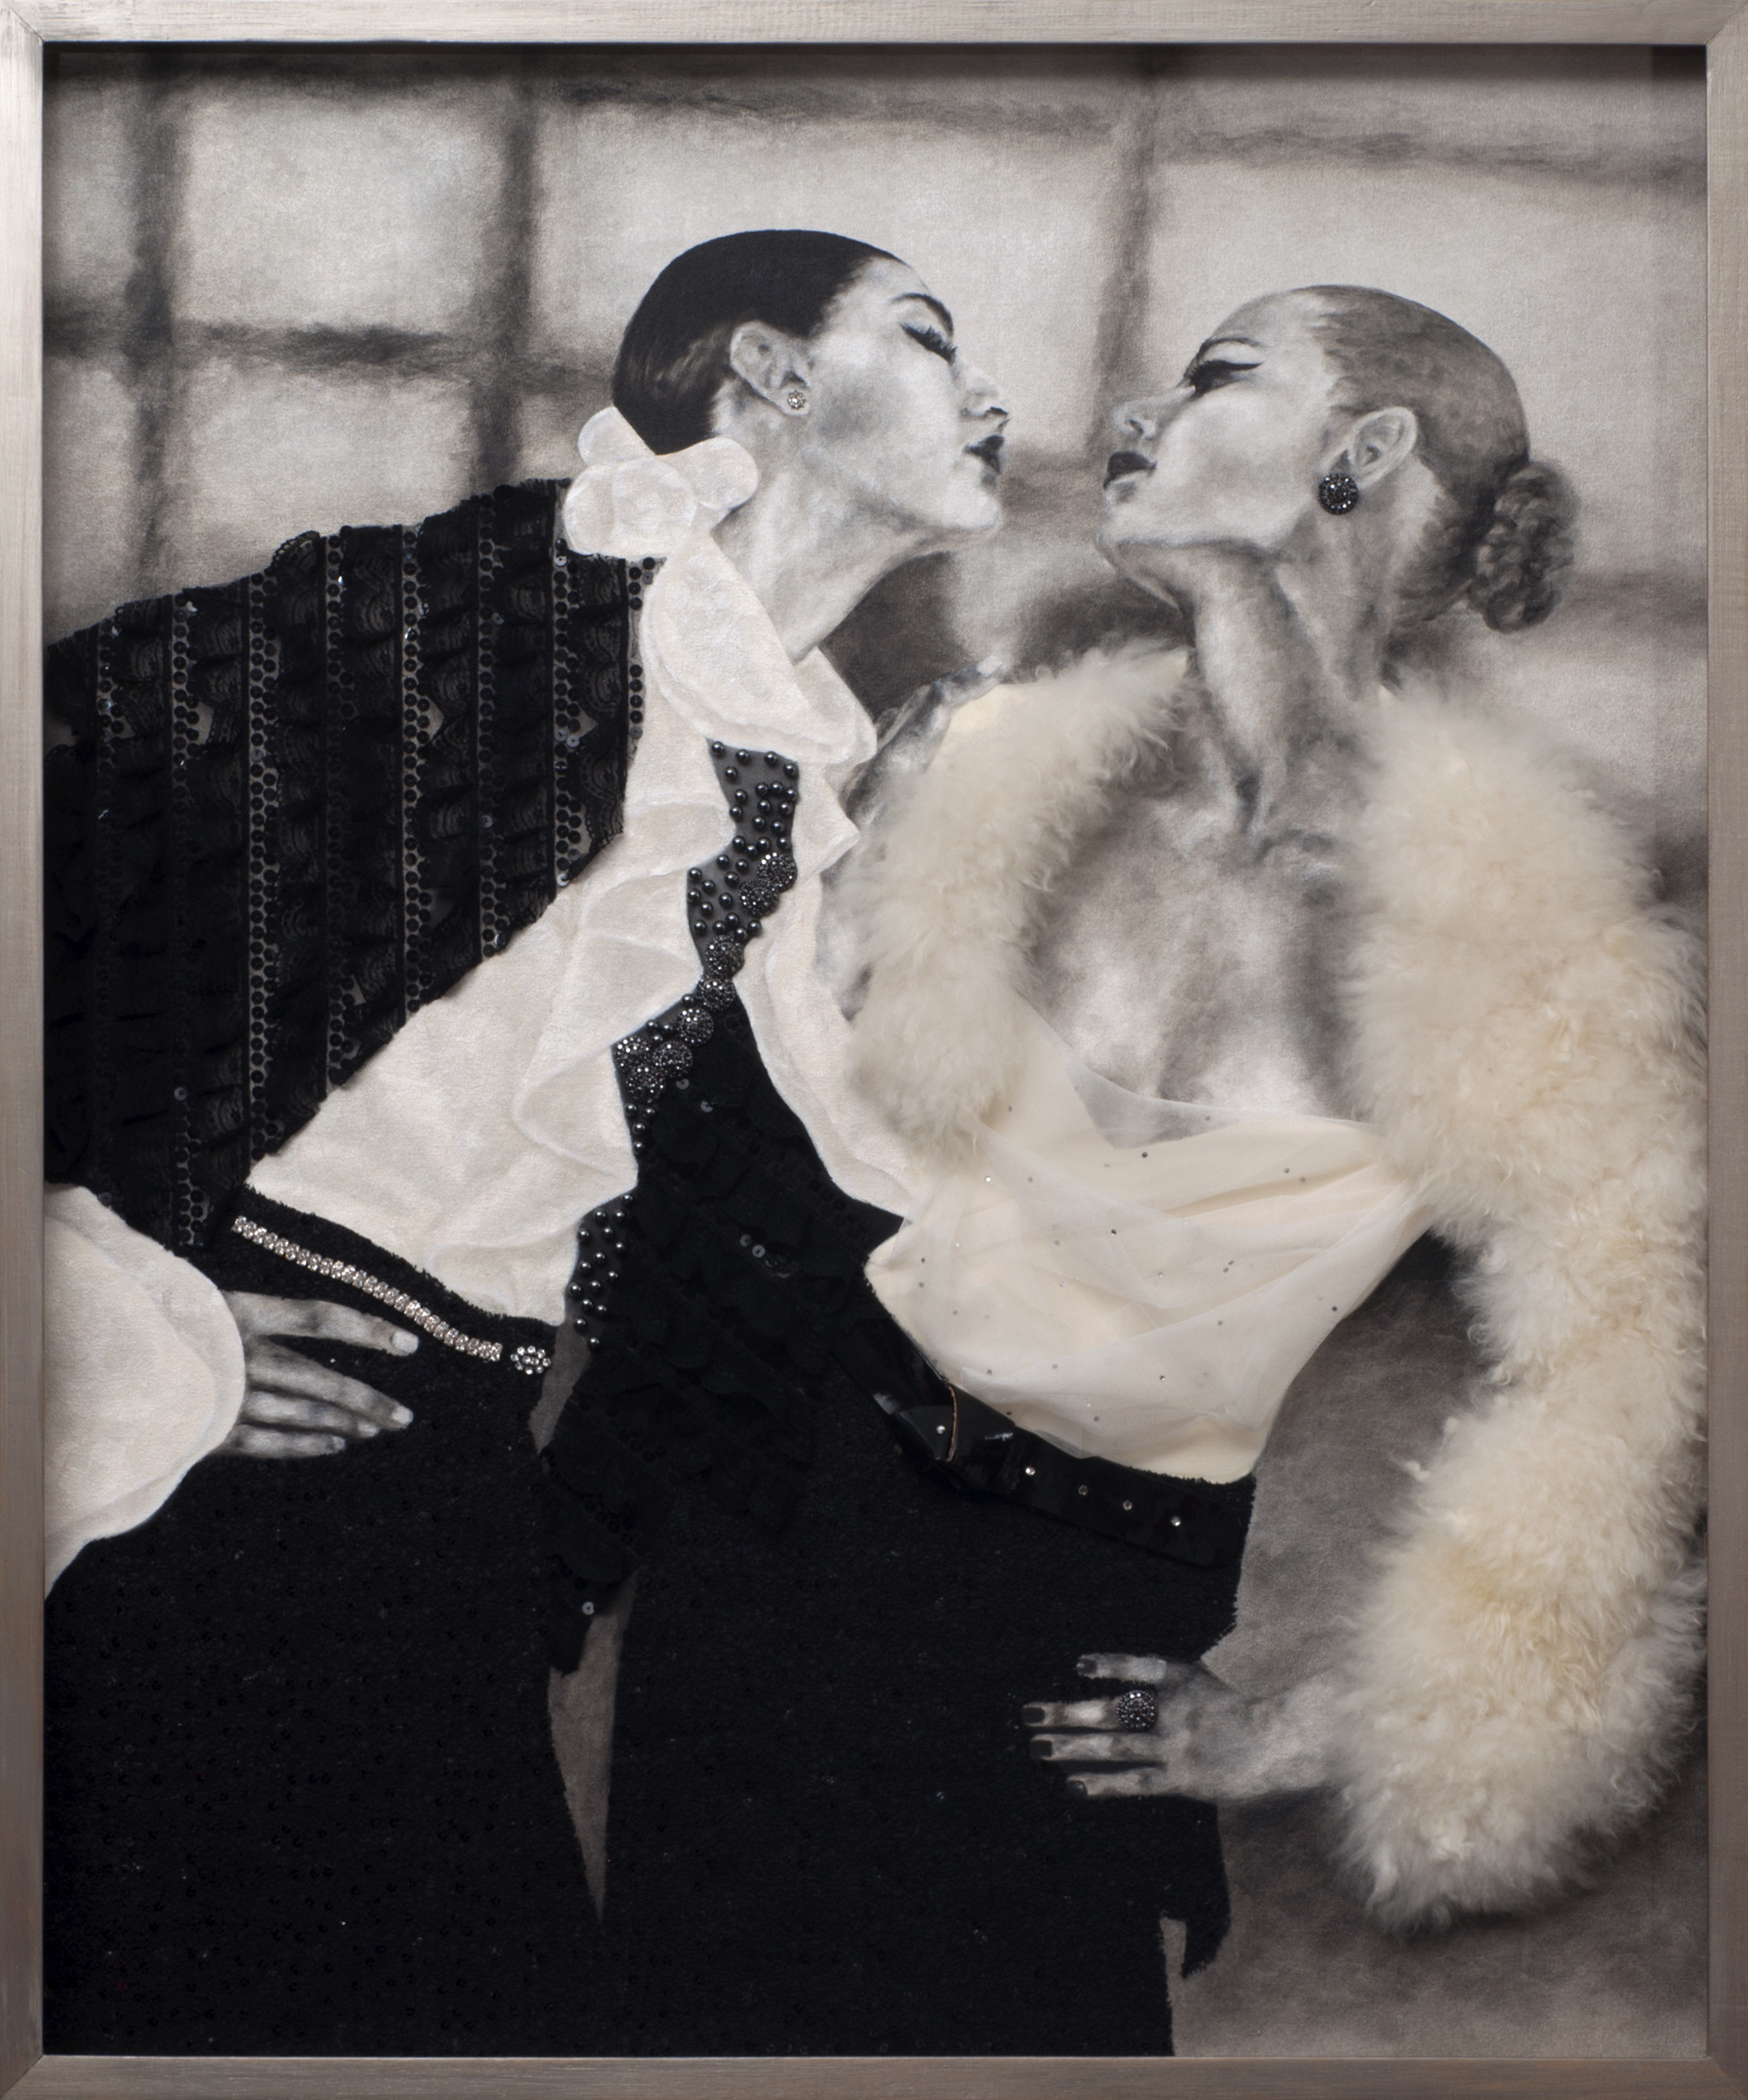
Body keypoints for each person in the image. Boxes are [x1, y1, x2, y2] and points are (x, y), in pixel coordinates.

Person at [844, 285, 1705, 1932]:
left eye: (1215, 377)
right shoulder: (990, 769)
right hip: (762, 1527)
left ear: (1361, 452)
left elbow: (1631, 1405)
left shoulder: (1527, 934)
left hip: (1078, 1625)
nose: (1135, 413)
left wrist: (1312, 1725)